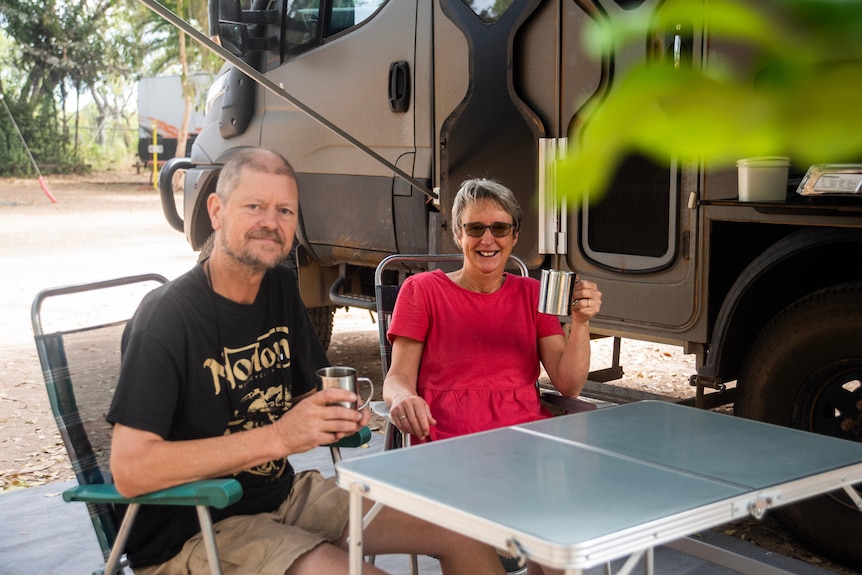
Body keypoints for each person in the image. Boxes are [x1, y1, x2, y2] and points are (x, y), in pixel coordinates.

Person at [107, 148, 505, 575]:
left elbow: (306, 400)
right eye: (255, 206)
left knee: (464, 527)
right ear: (216, 211)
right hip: (194, 527)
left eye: (285, 210)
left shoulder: (278, 287)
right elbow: (132, 470)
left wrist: (333, 415)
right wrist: (280, 437)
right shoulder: (166, 317)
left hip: (282, 498)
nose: (271, 222)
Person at [383, 178, 602, 443]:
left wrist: (581, 322)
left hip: (527, 442)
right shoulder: (423, 290)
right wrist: (403, 397)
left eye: (499, 228)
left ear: (514, 236)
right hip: (448, 445)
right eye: (475, 228)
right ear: (458, 234)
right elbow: (398, 378)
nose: (488, 240)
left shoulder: (531, 294)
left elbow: (569, 385)